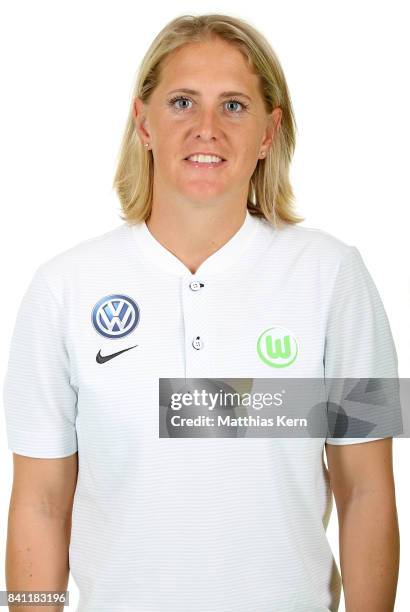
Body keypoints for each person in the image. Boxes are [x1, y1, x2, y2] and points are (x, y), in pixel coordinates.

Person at [3, 13, 402, 612]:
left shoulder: (335, 276)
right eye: (183, 102)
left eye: (234, 106)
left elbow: (367, 489)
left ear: (269, 132)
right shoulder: (63, 289)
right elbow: (40, 501)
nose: (207, 128)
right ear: (143, 122)